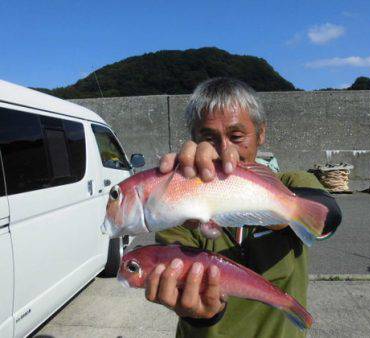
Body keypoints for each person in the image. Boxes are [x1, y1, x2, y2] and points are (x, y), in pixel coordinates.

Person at [144, 77, 342, 338]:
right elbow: (177, 273)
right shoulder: (180, 204)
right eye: (208, 138)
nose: (225, 150)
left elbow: (328, 215)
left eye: (237, 136)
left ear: (261, 133)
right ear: (194, 141)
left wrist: (266, 205)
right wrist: (203, 313)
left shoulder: (291, 183)